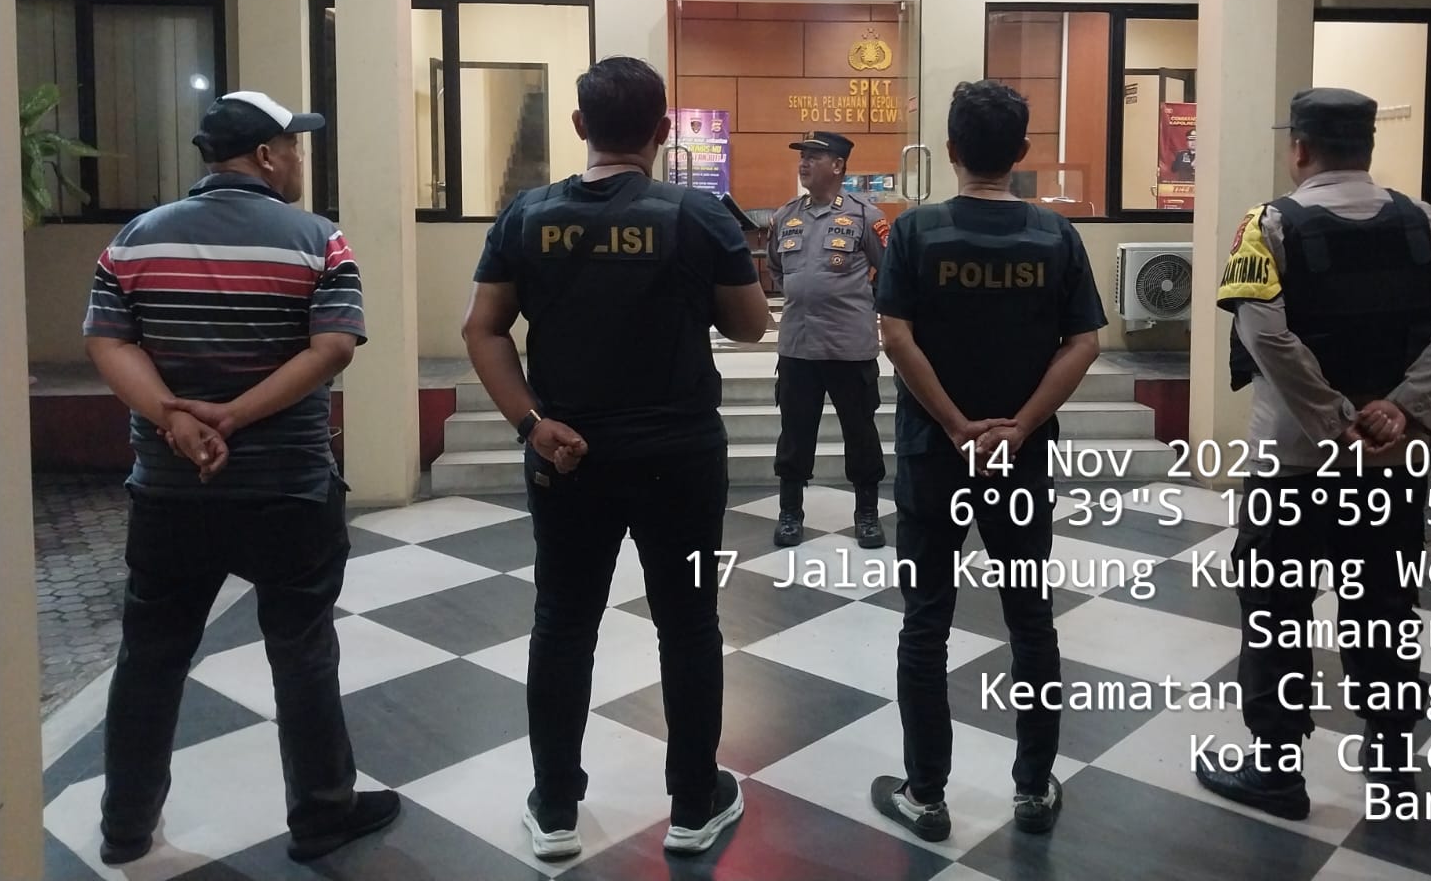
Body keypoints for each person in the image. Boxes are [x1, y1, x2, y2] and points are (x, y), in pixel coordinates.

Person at [461, 56, 769, 861]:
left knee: (563, 624)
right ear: (663, 131)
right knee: (690, 625)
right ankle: (694, 805)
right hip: (680, 459)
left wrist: (531, 424)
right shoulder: (697, 216)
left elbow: (483, 329)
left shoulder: (527, 215)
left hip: (568, 457)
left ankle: (556, 808)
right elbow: (749, 325)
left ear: (578, 126)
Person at [82, 91, 399, 866]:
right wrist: (233, 416)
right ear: (265, 156)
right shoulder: (318, 241)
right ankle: (322, 815)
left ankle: (125, 825)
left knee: (151, 655)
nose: (299, 158)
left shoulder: (135, 240)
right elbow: (333, 348)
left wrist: (175, 418)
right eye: (294, 145)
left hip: (169, 491)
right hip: (287, 489)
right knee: (302, 652)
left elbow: (108, 342)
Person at [1194, 87, 1431, 819]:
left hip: (1293, 468)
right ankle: (1390, 768)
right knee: (1385, 610)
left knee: (1277, 613)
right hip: (1393, 468)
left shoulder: (1266, 227)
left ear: (1299, 148)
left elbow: (1266, 336)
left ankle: (1277, 772)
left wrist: (1334, 423)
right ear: (1368, 148)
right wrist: (1400, 410)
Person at [870, 80, 1106, 841]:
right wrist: (1021, 427)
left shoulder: (917, 231)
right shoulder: (1054, 235)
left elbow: (895, 336)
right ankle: (1032, 790)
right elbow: (1083, 342)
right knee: (1030, 619)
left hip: (935, 456)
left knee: (926, 621)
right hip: (1020, 462)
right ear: (1022, 153)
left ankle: (926, 795)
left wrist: (954, 425)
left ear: (950, 149)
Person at [767, 131, 890, 548]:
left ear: (838, 165)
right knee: (794, 434)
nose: (803, 163)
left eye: (814, 156)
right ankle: (790, 512)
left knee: (860, 432)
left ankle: (867, 512)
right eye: (802, 156)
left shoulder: (865, 216)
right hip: (798, 347)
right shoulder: (786, 216)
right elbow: (777, 270)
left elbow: (889, 270)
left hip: (849, 348)